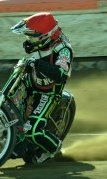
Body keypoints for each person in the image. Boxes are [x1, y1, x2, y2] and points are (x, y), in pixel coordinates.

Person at [11, 12, 73, 164]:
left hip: (49, 92)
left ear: (46, 36)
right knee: (9, 105)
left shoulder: (63, 48)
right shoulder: (44, 41)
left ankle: (55, 148)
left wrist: (37, 64)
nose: (29, 41)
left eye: (32, 37)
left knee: (32, 131)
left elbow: (61, 74)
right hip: (32, 81)